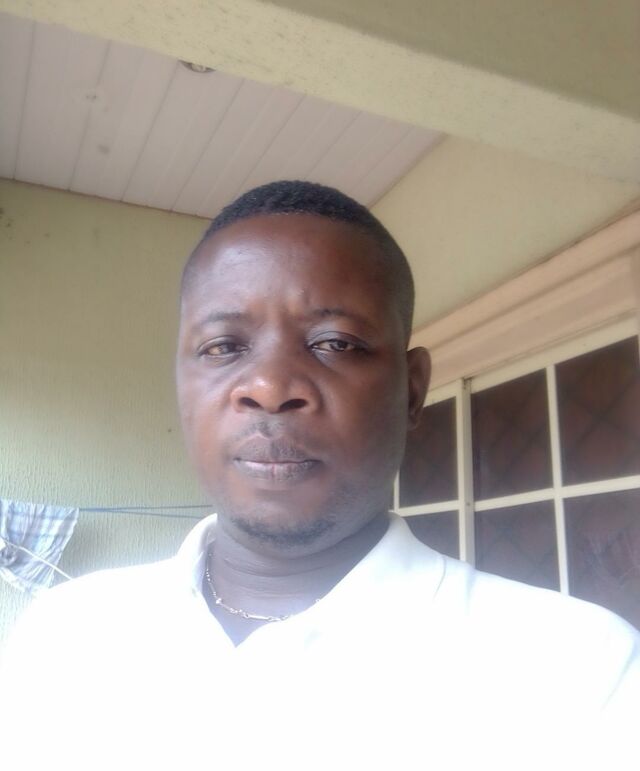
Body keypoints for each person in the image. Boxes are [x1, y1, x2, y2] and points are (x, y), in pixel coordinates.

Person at [1, 181, 638, 770]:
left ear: (412, 390)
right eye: (223, 347)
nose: (269, 386)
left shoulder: (580, 669)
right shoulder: (65, 634)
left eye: (335, 343)